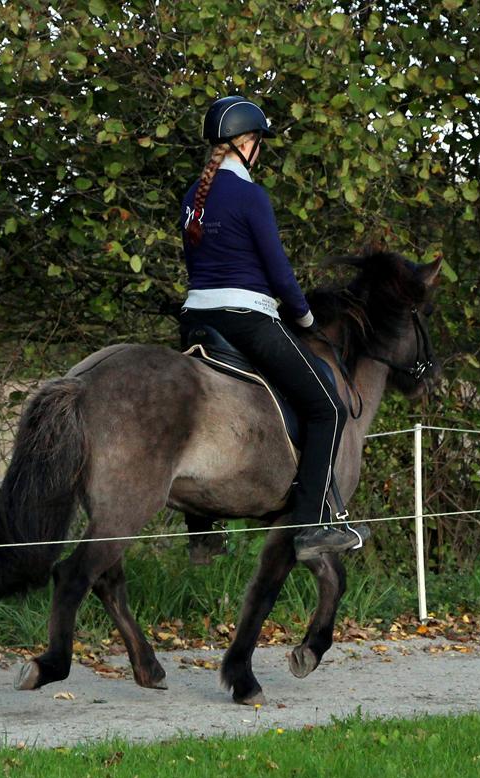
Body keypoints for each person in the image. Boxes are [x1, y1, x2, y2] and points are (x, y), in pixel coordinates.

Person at [178, 95, 363, 560]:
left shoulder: (192, 196)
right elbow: (278, 271)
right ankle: (312, 526)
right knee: (328, 408)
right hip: (247, 319)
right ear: (247, 144)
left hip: (195, 318)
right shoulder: (251, 196)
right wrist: (304, 315)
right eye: (259, 142)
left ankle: (201, 527)